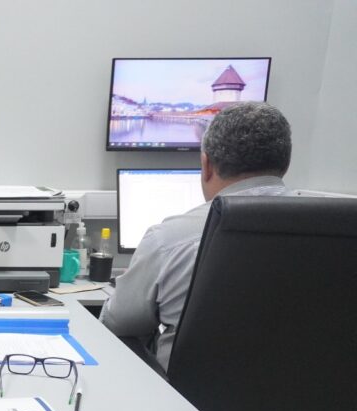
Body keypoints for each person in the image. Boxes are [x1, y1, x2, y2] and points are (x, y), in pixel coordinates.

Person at [100, 102, 294, 370]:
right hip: (306, 393)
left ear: (206, 165)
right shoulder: (335, 234)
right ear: (285, 164)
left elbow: (118, 324)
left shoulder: (169, 240)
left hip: (186, 394)